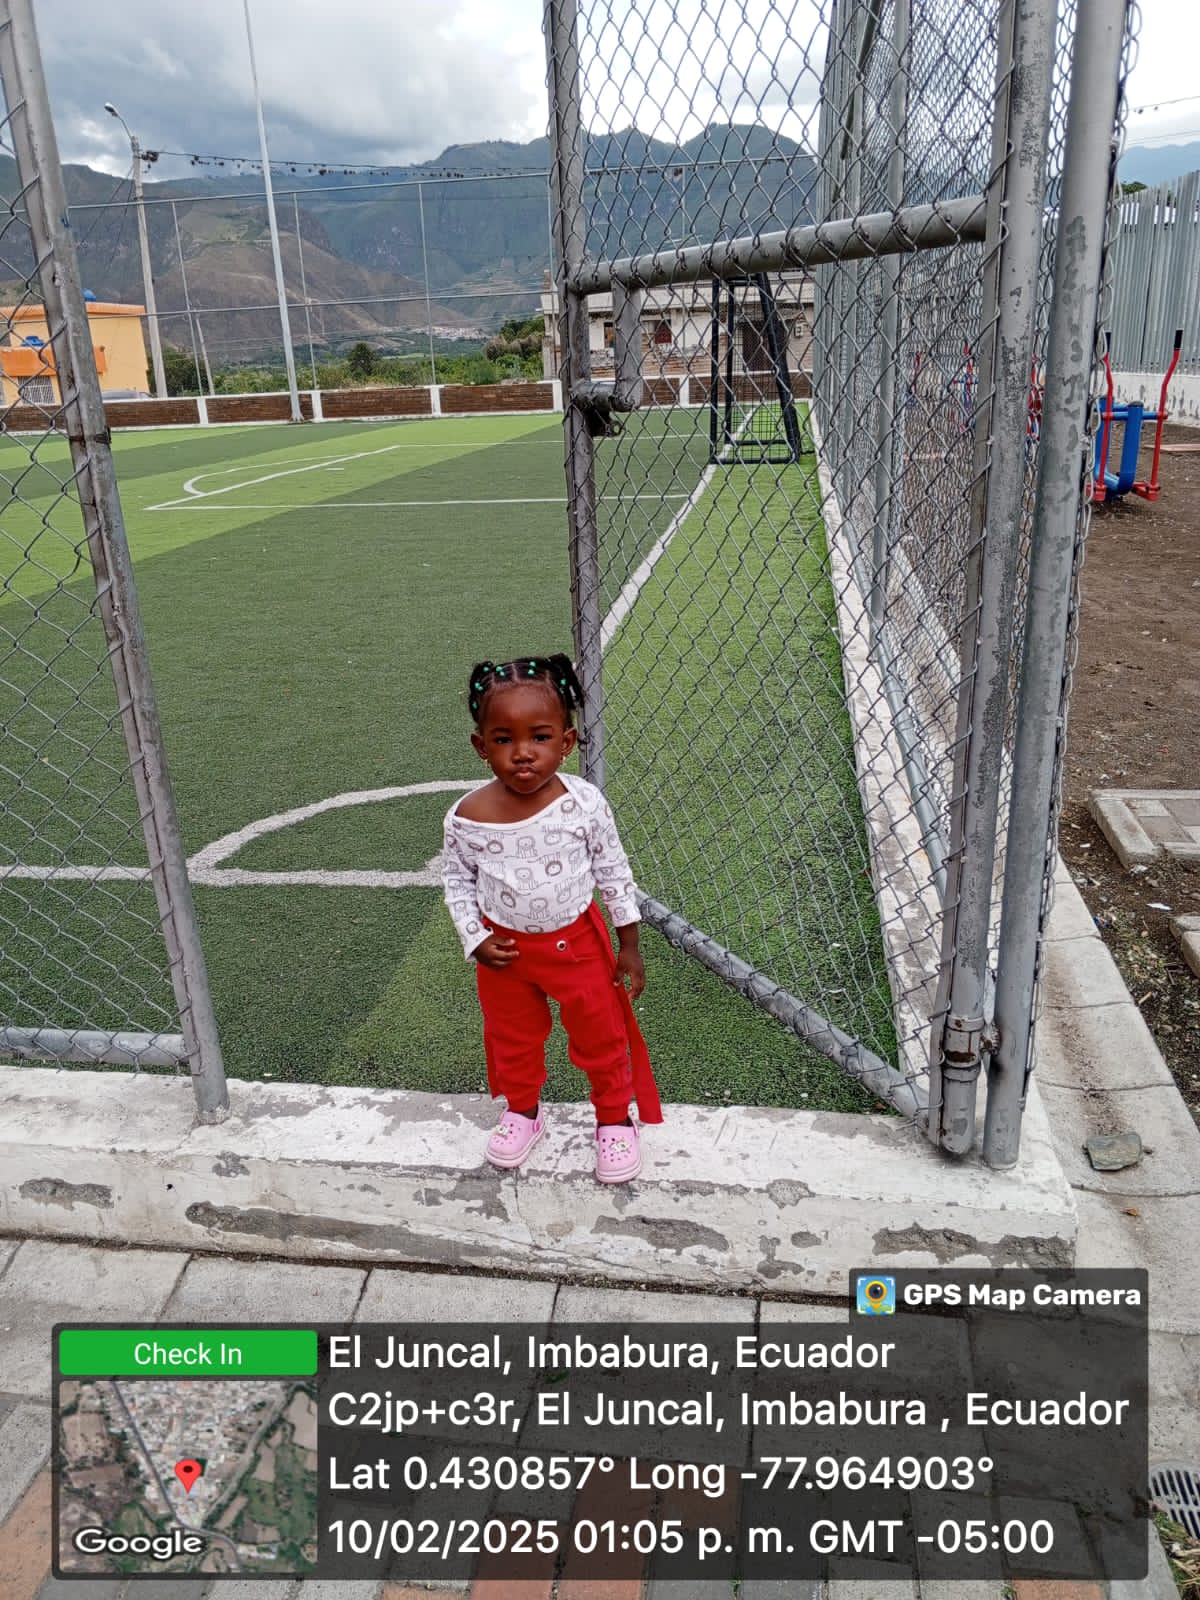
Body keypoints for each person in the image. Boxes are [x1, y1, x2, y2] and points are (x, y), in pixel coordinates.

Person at [441, 653, 663, 1182]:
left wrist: (629, 944)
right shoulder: (466, 817)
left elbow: (613, 872)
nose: (523, 753)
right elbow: (457, 882)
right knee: (512, 1038)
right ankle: (522, 1112)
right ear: (481, 746)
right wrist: (475, 938)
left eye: (539, 737)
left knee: (600, 1035)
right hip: (505, 956)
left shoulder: (583, 803)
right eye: (503, 739)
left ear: (567, 741)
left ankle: (614, 1119)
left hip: (578, 946)